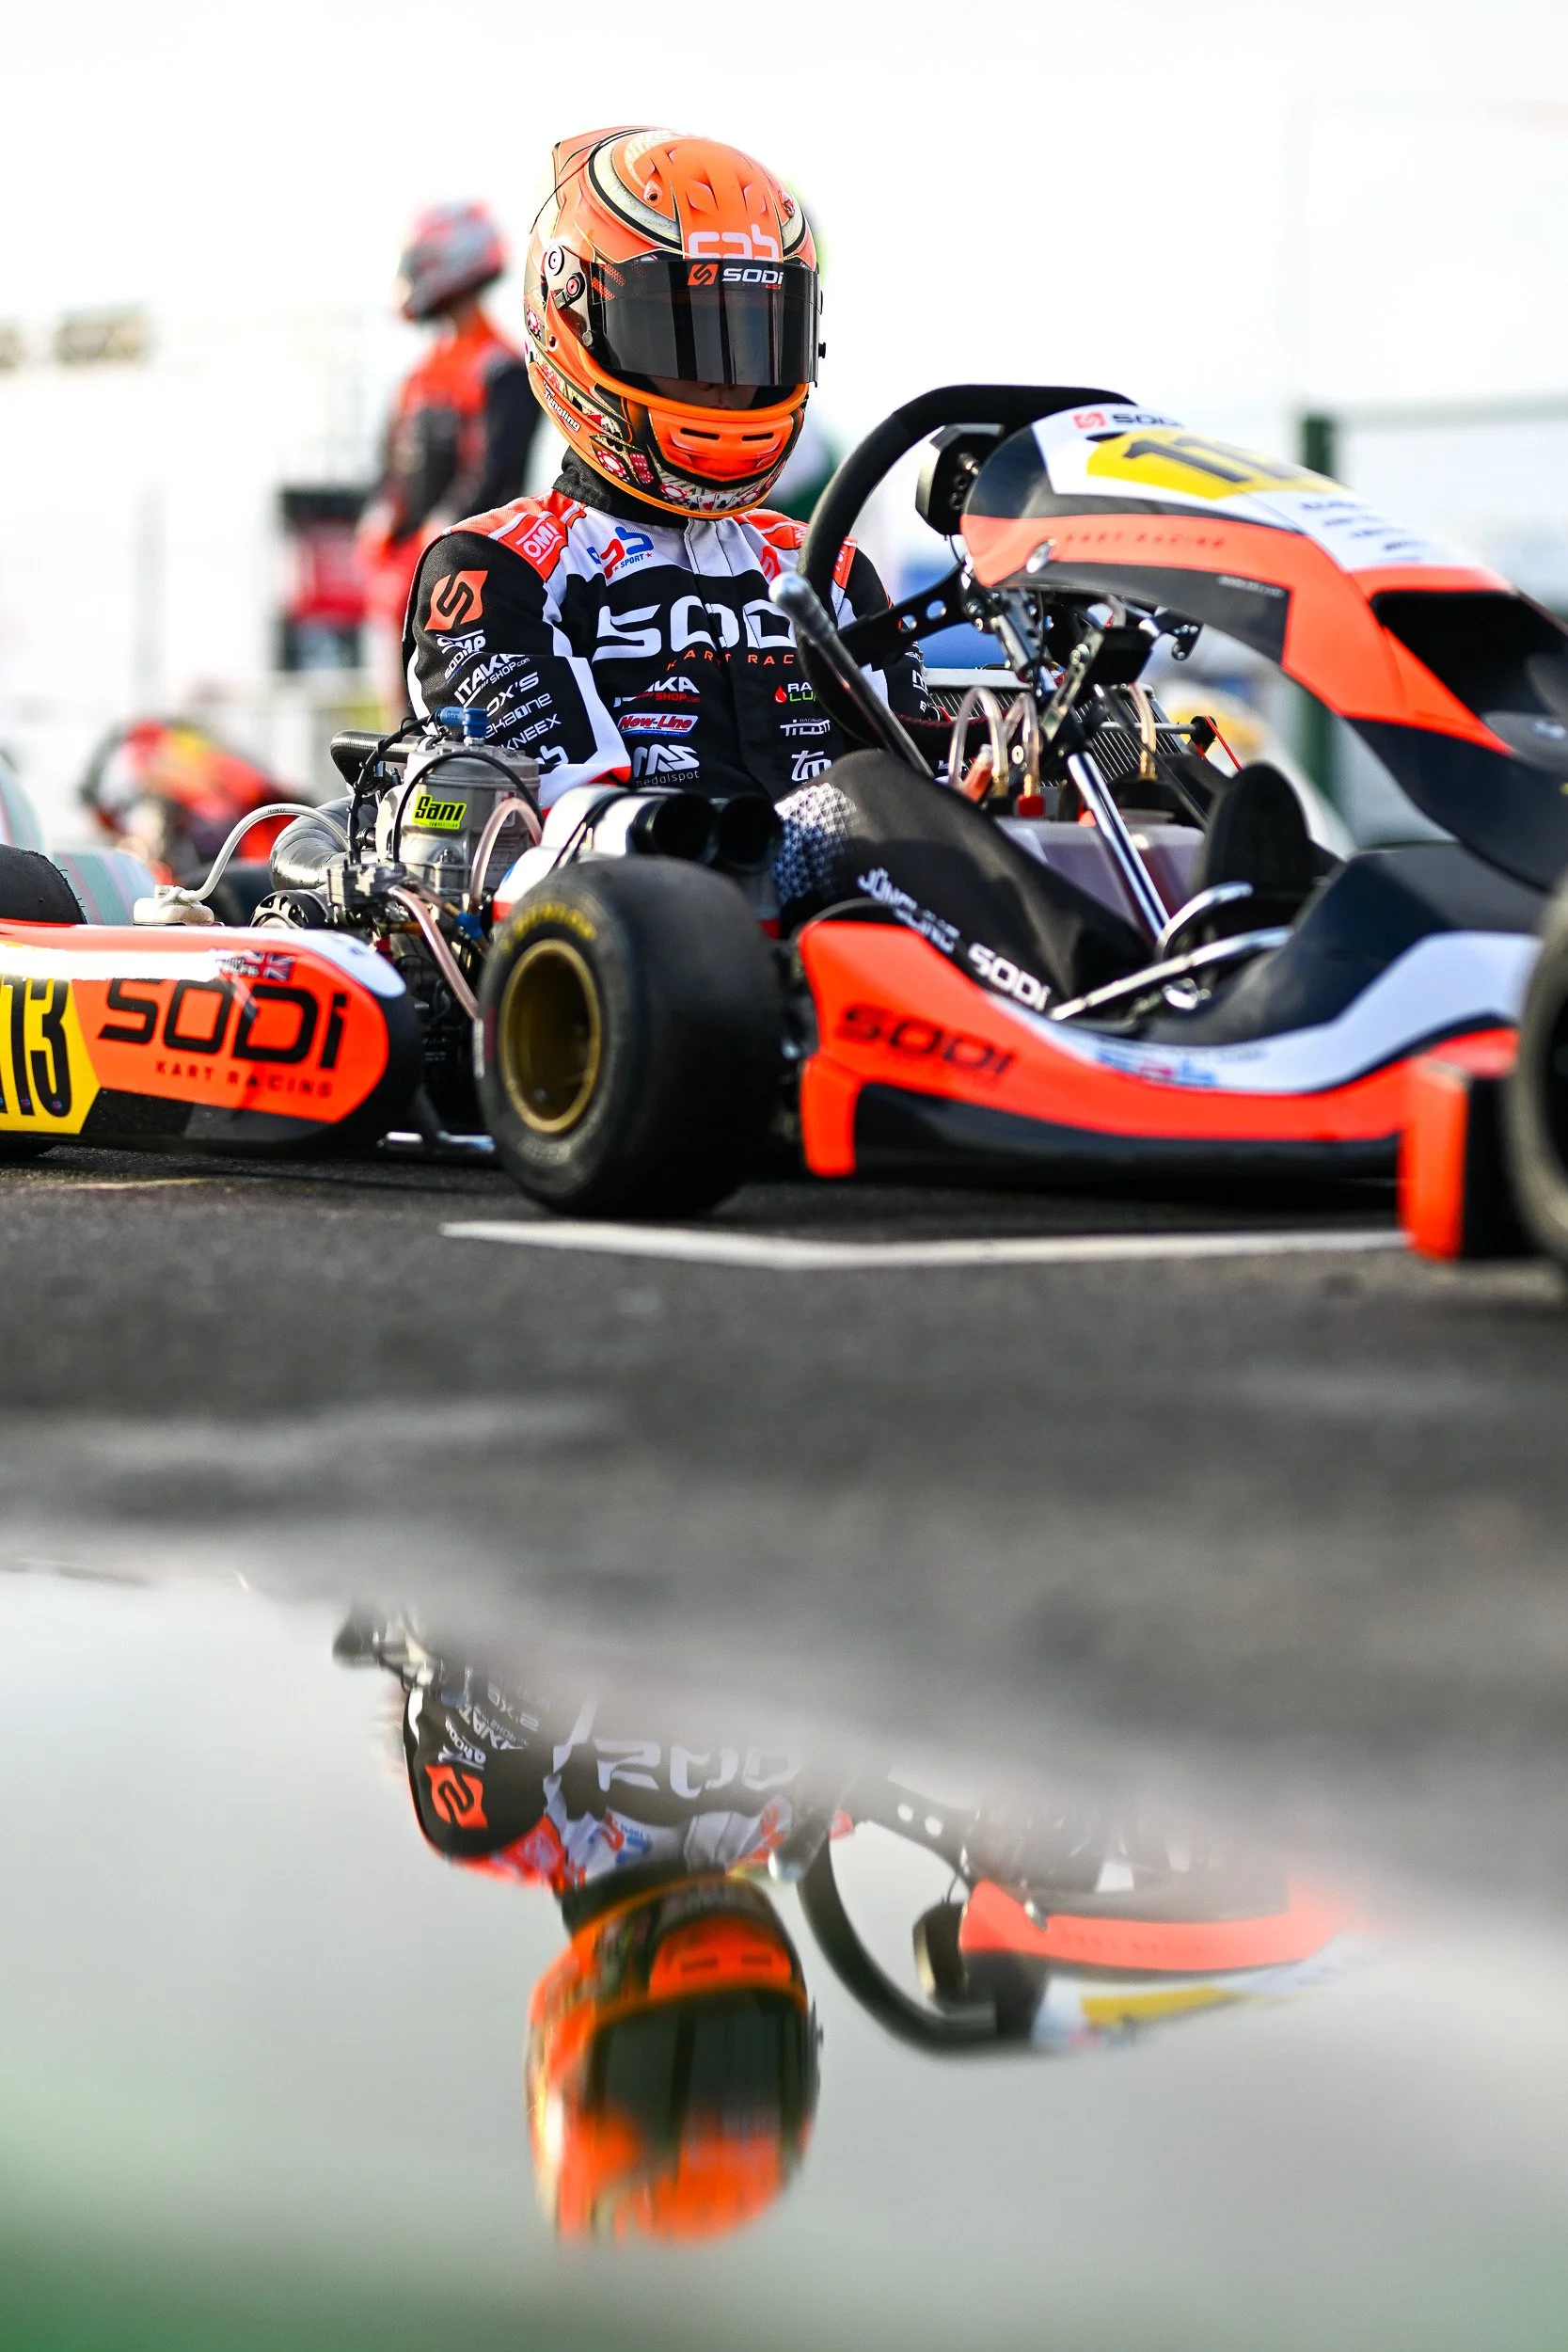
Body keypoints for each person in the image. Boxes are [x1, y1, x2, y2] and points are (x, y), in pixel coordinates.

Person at [402, 128, 1148, 1006]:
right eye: (687, 341)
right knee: (868, 797)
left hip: (858, 938)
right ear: (577, 325)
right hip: (650, 952)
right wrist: (831, 828)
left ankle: (1257, 921)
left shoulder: (818, 565)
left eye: (752, 342)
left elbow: (919, 772)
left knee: (1143, 779)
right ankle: (1113, 995)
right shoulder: (495, 567)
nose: (726, 384)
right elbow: (578, 829)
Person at [358, 203, 544, 719]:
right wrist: (380, 522)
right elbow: (391, 467)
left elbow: (497, 472)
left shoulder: (502, 369)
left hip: (472, 571)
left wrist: (440, 535)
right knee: (400, 717)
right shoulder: (419, 378)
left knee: (465, 711)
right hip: (402, 574)